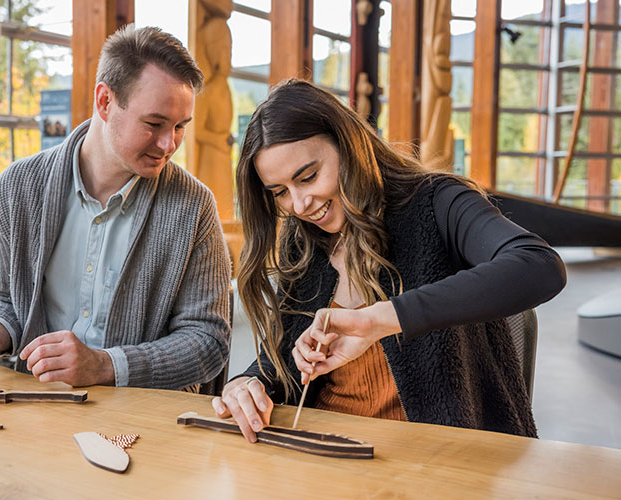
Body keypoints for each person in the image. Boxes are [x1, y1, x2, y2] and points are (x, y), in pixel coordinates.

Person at [212, 79, 565, 441]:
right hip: (324, 456)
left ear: (348, 144)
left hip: (436, 461)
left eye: (309, 176)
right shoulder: (301, 241)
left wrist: (380, 319)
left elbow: (539, 266)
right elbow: (286, 360)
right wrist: (249, 382)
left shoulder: (437, 203)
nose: (300, 205)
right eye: (281, 192)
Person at [0, 26, 231, 389]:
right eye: (154, 123)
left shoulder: (194, 206)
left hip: (145, 420)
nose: (168, 144)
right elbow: (2, 301)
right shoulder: (15, 188)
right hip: (36, 409)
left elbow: (209, 340)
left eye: (180, 126)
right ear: (105, 101)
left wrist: (106, 366)